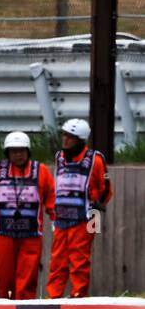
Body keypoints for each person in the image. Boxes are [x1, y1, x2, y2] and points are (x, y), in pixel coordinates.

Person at [0, 131, 55, 300]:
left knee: (26, 283)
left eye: (21, 151)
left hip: (31, 237)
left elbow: (51, 196)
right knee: (4, 282)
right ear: (8, 153)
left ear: (28, 152)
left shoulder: (40, 170)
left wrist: (55, 218)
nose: (18, 155)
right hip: (3, 236)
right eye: (13, 151)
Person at [47, 119, 112, 299]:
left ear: (80, 139)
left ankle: (78, 297)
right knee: (57, 262)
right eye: (65, 134)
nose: (65, 139)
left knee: (79, 261)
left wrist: (96, 209)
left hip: (87, 217)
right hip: (61, 218)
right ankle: (54, 298)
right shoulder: (59, 157)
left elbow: (106, 188)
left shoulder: (95, 159)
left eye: (70, 136)